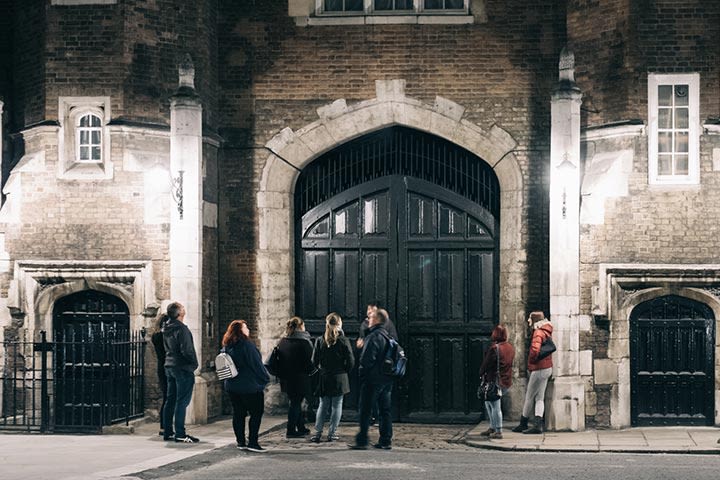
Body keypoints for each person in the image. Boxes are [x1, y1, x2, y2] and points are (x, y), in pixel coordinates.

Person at [221, 319, 270, 453]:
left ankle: (241, 441)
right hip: (249, 386)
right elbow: (257, 365)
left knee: (238, 414)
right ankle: (253, 442)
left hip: (232, 386)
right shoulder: (247, 346)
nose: (248, 329)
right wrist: (265, 379)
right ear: (240, 330)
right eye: (245, 327)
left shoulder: (227, 346)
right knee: (256, 413)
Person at [349, 308, 394, 450]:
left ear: (377, 320)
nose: (368, 319)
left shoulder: (374, 336)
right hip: (386, 380)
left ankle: (362, 440)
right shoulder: (387, 336)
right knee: (384, 410)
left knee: (365, 410)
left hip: (373, 380)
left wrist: (362, 375)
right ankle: (385, 440)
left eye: (371, 317)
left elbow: (367, 360)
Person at [309, 312, 355, 443]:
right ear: (340, 324)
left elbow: (313, 361)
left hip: (325, 376)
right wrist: (344, 371)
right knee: (337, 405)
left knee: (323, 405)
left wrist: (321, 369)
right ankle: (332, 433)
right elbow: (351, 361)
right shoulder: (343, 340)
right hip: (340, 377)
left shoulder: (319, 340)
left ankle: (317, 433)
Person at [162, 301, 200, 443]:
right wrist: (193, 364)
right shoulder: (181, 329)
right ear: (179, 313)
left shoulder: (166, 328)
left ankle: (168, 431)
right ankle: (180, 433)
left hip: (169, 366)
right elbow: (187, 350)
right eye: (182, 308)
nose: (184, 309)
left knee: (170, 400)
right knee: (182, 401)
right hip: (182, 368)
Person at [511, 311, 553, 435]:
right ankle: (538, 425)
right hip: (547, 367)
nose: (528, 321)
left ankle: (523, 423)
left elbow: (535, 350)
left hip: (539, 368)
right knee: (539, 398)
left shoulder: (538, 332)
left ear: (534, 320)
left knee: (529, 397)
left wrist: (532, 362)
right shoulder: (546, 331)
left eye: (530, 319)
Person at [277, 316, 314, 438]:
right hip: (300, 378)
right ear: (300, 327)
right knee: (296, 403)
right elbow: (310, 362)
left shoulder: (283, 341)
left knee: (295, 402)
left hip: (286, 378)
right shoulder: (304, 343)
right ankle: (291, 430)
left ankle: (301, 427)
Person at [478, 324, 515, 439]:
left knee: (494, 405)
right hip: (506, 380)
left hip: (495, 381)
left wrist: (481, 373)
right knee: (488, 402)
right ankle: (492, 427)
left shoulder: (495, 349)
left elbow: (486, 364)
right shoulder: (510, 347)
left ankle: (498, 430)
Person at [150, 313, 169, 437]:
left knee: (166, 397)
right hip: (168, 368)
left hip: (161, 368)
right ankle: (166, 425)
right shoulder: (164, 337)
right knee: (169, 398)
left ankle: (164, 426)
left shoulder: (156, 336)